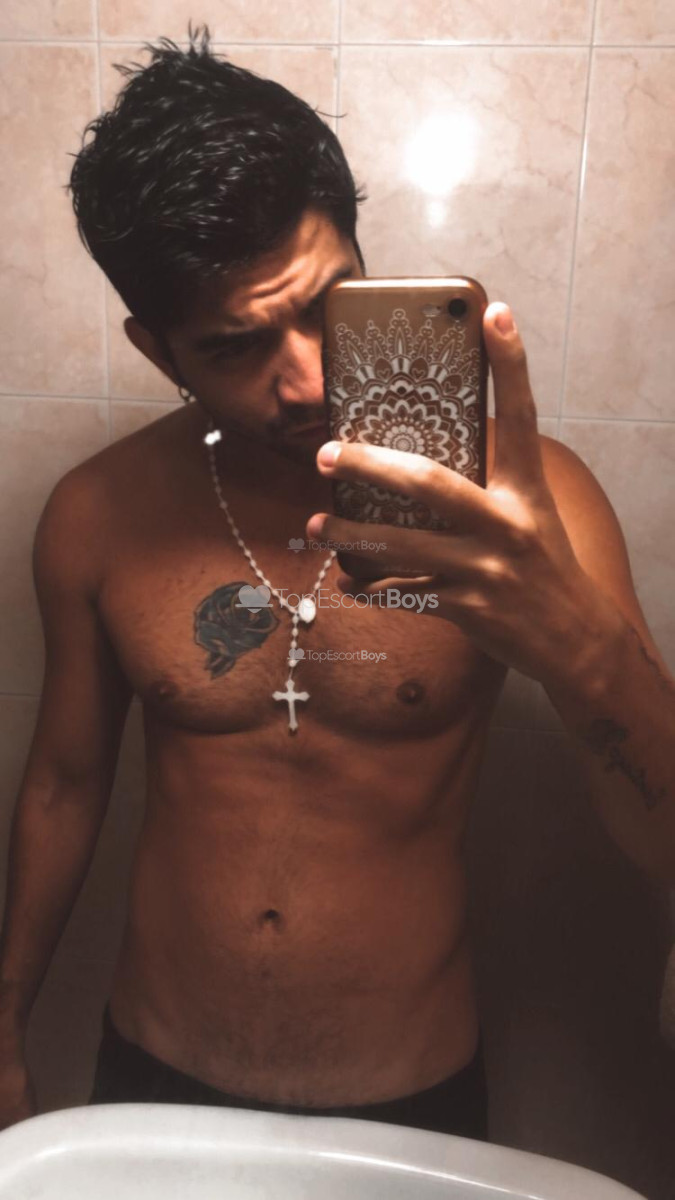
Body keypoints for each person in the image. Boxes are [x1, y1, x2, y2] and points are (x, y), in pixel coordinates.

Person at [1, 24, 674, 1140]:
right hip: (154, 1074)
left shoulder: (528, 506)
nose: (305, 380)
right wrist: (4, 1019)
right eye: (235, 346)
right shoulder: (96, 516)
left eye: (326, 306)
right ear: (159, 350)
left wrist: (576, 638)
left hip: (410, 1088)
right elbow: (64, 786)